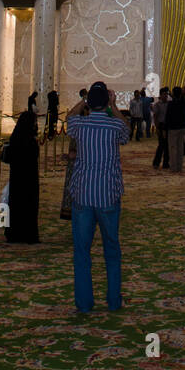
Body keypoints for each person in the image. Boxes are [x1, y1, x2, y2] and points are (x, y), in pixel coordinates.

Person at [66, 80, 129, 312]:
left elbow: (68, 117)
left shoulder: (79, 125)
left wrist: (83, 101)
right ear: (107, 102)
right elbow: (127, 130)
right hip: (108, 195)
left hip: (82, 194)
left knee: (82, 252)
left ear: (89, 103)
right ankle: (113, 301)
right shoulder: (114, 127)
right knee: (112, 250)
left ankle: (84, 304)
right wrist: (113, 105)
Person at [4, 108, 40, 243]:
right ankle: (28, 234)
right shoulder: (30, 141)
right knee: (28, 206)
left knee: (15, 205)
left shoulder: (15, 138)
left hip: (17, 179)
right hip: (29, 180)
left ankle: (13, 233)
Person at [166, 86, 185, 173]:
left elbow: (168, 116)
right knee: (180, 148)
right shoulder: (182, 103)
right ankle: (179, 167)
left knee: (173, 148)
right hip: (181, 127)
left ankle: (173, 167)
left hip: (172, 128)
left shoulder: (170, 104)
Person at [152, 87, 170, 169]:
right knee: (161, 145)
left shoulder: (169, 104)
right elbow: (155, 117)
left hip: (168, 126)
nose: (166, 96)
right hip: (161, 125)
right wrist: (157, 128)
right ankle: (156, 162)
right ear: (160, 95)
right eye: (164, 94)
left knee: (167, 146)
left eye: (166, 94)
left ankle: (166, 163)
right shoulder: (157, 105)